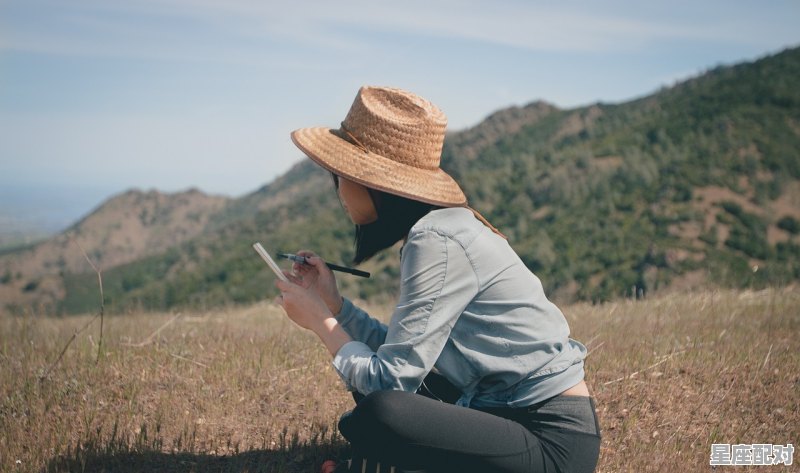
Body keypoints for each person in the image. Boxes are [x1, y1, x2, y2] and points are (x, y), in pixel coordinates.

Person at [274, 86, 601, 473]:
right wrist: (335, 306)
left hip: (552, 441)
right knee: (370, 412)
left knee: (380, 411)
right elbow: (400, 359)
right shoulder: (438, 229)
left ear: (373, 182)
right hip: (502, 411)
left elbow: (388, 384)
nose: (338, 188)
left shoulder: (436, 239)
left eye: (341, 174)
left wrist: (320, 322)